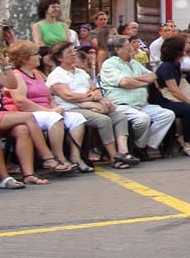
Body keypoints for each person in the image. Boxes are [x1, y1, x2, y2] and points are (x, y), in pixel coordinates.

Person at [0, 40, 66, 187]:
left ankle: (28, 174)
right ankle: (48, 157)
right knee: (28, 117)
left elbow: (12, 85)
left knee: (22, 129)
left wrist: (4, 65)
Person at [46, 42, 137, 170]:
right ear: (60, 57)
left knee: (120, 116)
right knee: (103, 120)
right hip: (73, 108)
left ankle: (123, 152)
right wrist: (91, 97)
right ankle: (113, 157)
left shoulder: (80, 72)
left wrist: (100, 97)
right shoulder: (56, 75)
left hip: (90, 103)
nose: (73, 54)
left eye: (73, 51)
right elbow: (68, 96)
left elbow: (95, 88)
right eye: (69, 52)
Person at [3, 40, 86, 173]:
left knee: (77, 118)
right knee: (54, 118)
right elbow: (21, 102)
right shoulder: (17, 76)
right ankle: (58, 157)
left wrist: (56, 108)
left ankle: (75, 156)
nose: (40, 57)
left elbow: (49, 97)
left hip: (45, 110)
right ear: (24, 59)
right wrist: (49, 110)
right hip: (28, 113)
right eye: (35, 54)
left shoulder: (37, 75)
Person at [100, 35, 176, 160]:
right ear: (118, 49)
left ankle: (141, 146)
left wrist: (133, 80)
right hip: (121, 105)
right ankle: (139, 147)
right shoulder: (110, 64)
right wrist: (142, 82)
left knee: (167, 115)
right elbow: (124, 82)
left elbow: (152, 76)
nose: (132, 48)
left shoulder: (134, 63)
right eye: (127, 45)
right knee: (142, 119)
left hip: (141, 105)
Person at [148, 36, 190, 157]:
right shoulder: (166, 67)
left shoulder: (175, 65)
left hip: (170, 98)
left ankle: (185, 138)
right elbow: (174, 90)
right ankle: (187, 143)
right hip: (162, 100)